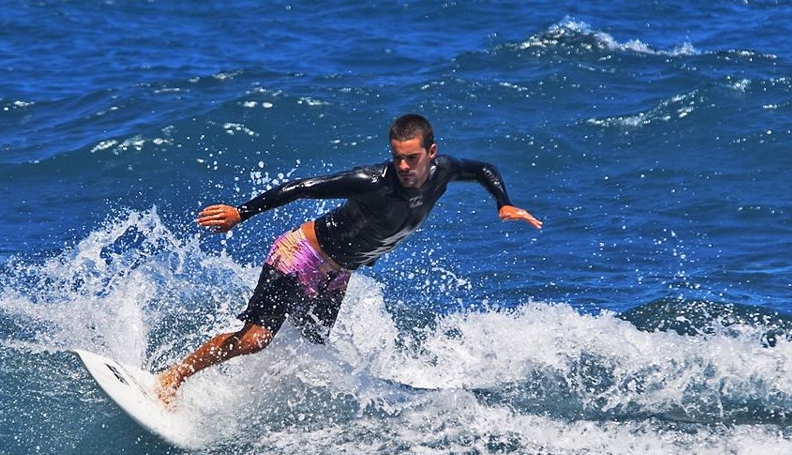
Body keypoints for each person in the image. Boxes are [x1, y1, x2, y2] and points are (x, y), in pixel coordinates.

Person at [155, 113, 542, 404]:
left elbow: (484, 169)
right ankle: (173, 377)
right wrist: (242, 212)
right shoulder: (371, 181)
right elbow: (301, 189)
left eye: (411, 158)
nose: (403, 167)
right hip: (301, 256)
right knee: (257, 339)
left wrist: (504, 204)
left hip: (338, 274)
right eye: (397, 158)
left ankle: (251, 394)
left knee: (310, 349)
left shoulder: (444, 170)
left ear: (432, 153)